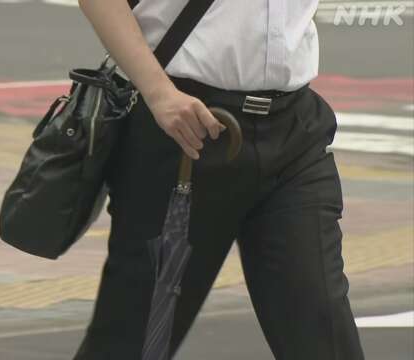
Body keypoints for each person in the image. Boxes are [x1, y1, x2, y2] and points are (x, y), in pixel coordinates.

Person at [74, 0, 365, 359]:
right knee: (136, 341)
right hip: (184, 130)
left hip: (293, 130)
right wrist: (158, 93)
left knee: (322, 326)